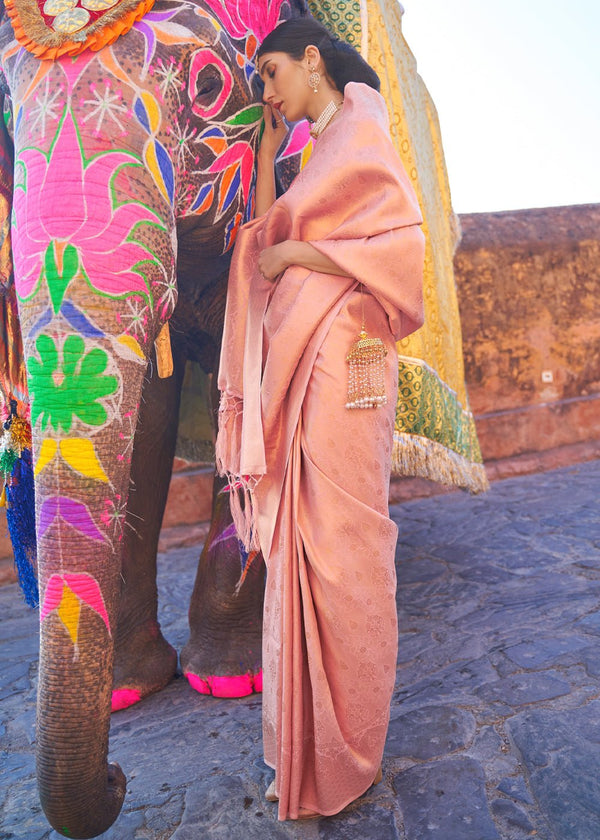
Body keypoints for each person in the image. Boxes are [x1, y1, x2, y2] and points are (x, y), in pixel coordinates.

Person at [215, 17, 425, 821]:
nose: (267, 92)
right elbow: (264, 237)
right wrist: (268, 160)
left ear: (312, 60)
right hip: (304, 352)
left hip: (347, 353)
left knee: (346, 542)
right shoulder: (314, 153)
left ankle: (348, 747)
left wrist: (299, 257)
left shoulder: (362, 124)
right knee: (302, 541)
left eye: (271, 73)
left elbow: (395, 251)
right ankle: (305, 745)